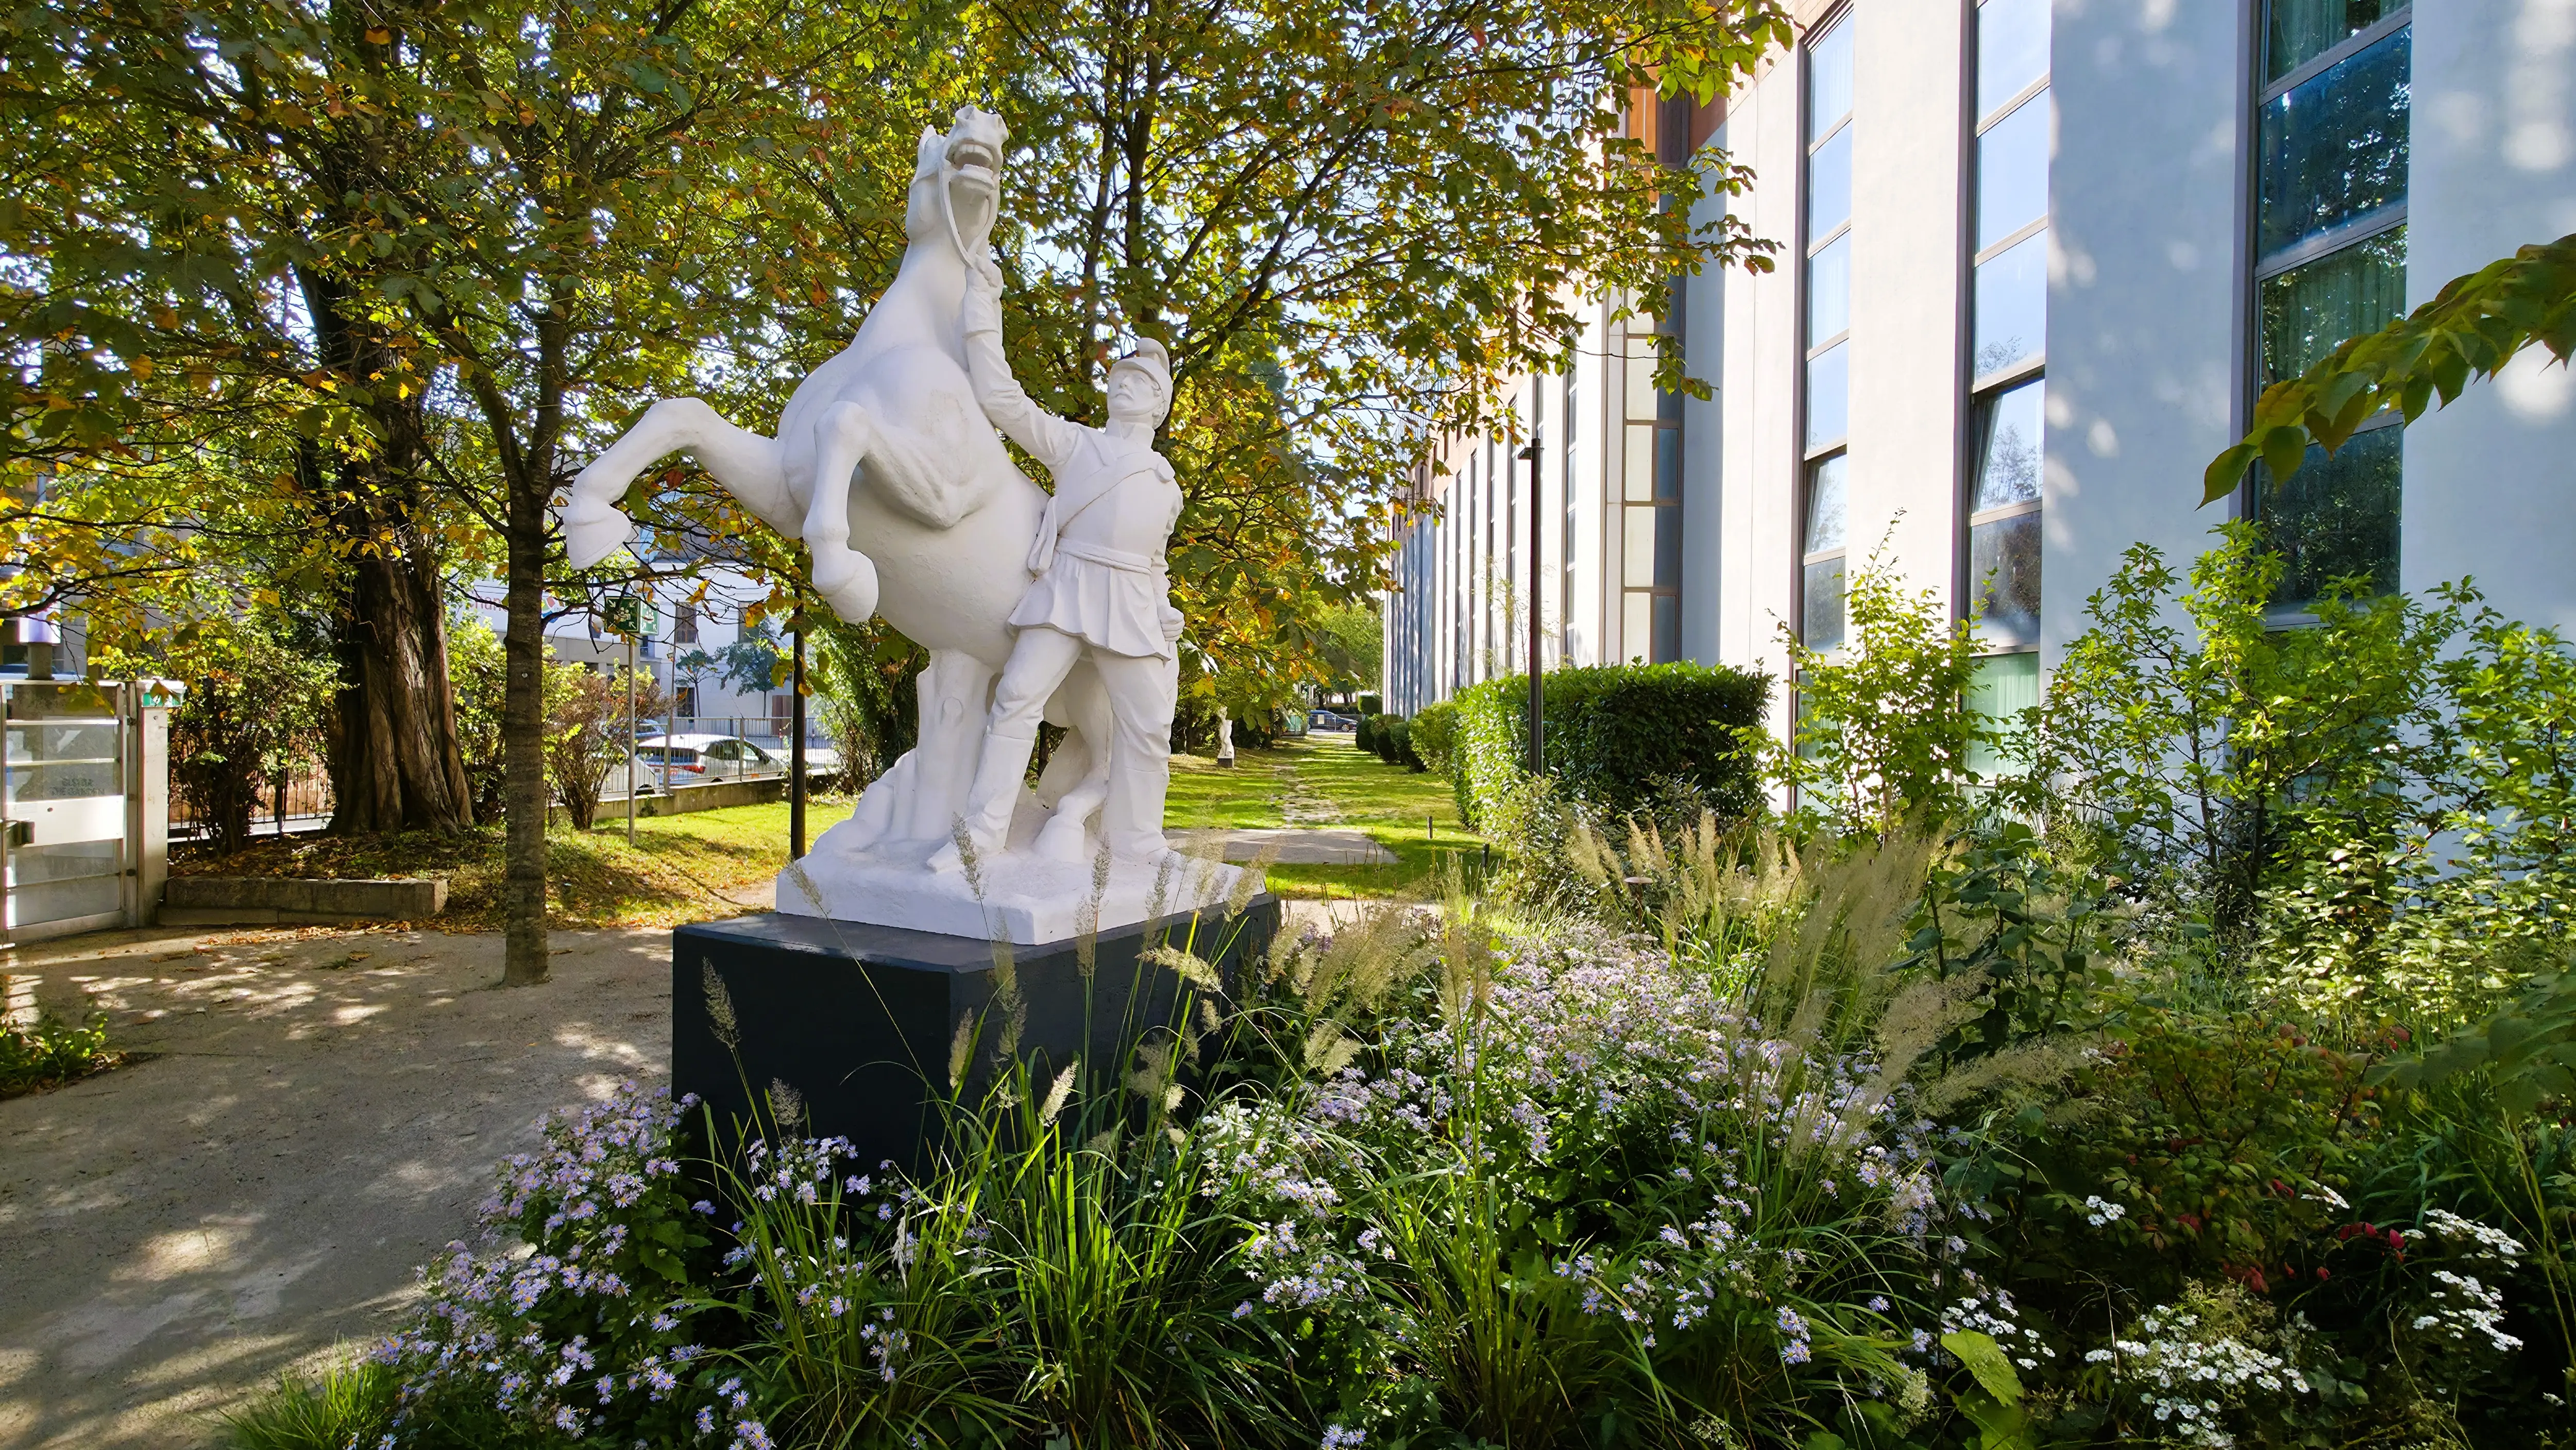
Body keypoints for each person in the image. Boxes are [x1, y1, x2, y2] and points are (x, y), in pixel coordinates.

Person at [931, 246, 1185, 871]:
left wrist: (1162, 605)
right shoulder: (1074, 444)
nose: (1125, 385)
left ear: (1158, 406)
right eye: (1119, 378)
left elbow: (1153, 560)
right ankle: (981, 836)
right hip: (1068, 583)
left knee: (1148, 724)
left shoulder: (1164, 483)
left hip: (1130, 602)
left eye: (1142, 383)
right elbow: (1001, 397)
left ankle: (1138, 838)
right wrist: (981, 309)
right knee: (1016, 698)